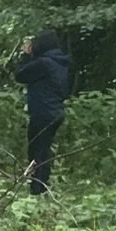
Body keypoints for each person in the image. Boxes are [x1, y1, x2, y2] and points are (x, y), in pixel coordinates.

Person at [16, 30, 72, 194]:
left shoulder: (44, 64)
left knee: (36, 151)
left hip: (43, 112)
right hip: (55, 111)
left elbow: (20, 75)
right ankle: (41, 185)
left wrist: (26, 56)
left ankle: (37, 188)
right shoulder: (61, 62)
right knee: (44, 149)